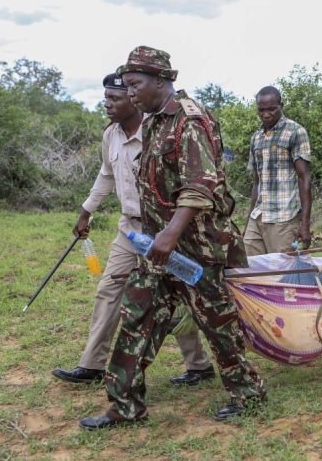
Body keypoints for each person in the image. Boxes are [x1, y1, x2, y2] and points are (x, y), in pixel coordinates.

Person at [79, 46, 265, 429]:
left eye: (135, 84)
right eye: (127, 86)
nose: (131, 93)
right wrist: (156, 237)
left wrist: (170, 233)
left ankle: (248, 393)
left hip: (197, 248)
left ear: (161, 80)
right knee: (136, 317)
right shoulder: (153, 123)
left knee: (218, 324)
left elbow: (200, 185)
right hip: (159, 248)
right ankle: (125, 406)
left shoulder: (190, 121)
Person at [51, 73, 215, 388]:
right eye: (106, 98)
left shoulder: (159, 131)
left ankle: (199, 365)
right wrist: (86, 212)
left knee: (175, 294)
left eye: (114, 98)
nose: (107, 104)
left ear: (132, 98)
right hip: (129, 229)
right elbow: (106, 174)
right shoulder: (110, 135)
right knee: (109, 289)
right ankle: (91, 365)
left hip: (164, 229)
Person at [244, 86, 312, 255]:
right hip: (258, 215)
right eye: (261, 110)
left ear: (281, 106)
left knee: (281, 268)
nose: (266, 114)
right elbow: (257, 182)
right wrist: (248, 220)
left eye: (272, 109)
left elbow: (304, 178)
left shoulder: (295, 132)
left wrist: (305, 224)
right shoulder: (256, 137)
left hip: (284, 217)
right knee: (249, 265)